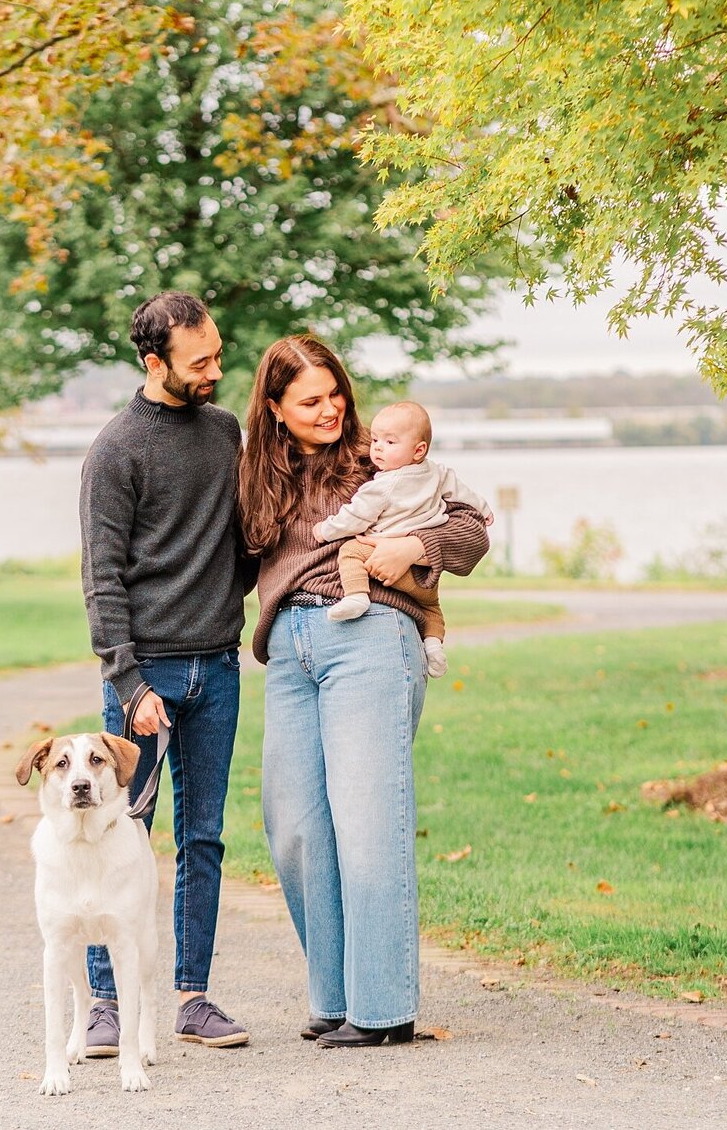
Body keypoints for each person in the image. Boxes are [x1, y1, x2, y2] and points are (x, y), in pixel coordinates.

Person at [238, 334, 490, 1048]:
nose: (330, 410)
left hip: (371, 634)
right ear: (275, 408)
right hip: (289, 649)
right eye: (310, 401)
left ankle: (382, 1011)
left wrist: (418, 547)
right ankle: (334, 997)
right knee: (294, 826)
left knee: (368, 819)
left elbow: (471, 528)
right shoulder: (257, 476)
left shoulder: (375, 456)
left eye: (335, 395)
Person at [76, 290, 252, 1054]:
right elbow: (102, 577)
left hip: (218, 667)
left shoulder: (224, 431)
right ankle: (106, 1003)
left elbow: (239, 539)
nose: (215, 370)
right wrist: (129, 683)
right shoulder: (116, 451)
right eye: (199, 361)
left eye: (217, 355)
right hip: (144, 676)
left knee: (203, 837)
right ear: (155, 363)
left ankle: (192, 996)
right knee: (120, 833)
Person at [312, 400, 490, 679]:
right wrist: (485, 509)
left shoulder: (383, 484)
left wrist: (325, 530)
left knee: (350, 550)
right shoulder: (438, 473)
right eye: (375, 440)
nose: (378, 448)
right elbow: (463, 493)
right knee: (431, 608)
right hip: (424, 574)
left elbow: (355, 517)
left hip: (383, 557)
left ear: (418, 450)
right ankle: (433, 646)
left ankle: (357, 596)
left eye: (390, 442)